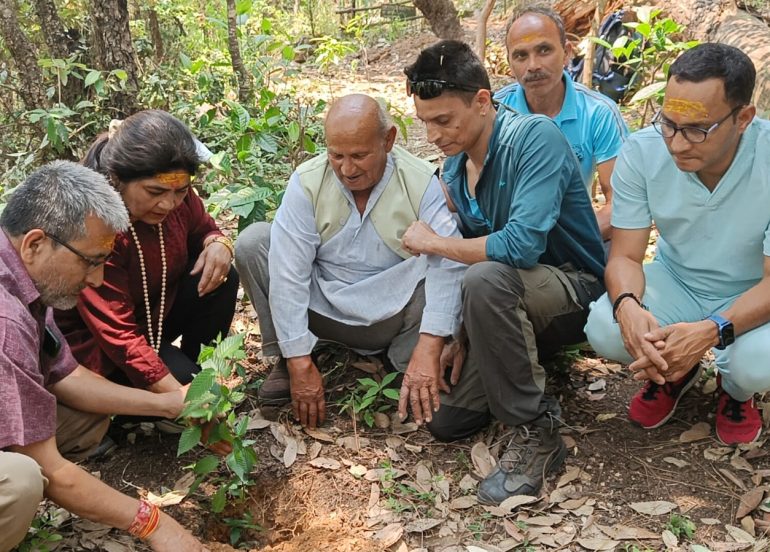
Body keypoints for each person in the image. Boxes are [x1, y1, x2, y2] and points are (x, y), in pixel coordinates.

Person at [399, 40, 606, 505]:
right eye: (425, 122)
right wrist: (461, 334)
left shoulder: (534, 137)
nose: (433, 135)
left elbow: (519, 245)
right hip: (512, 297)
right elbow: (478, 253)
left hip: (575, 289)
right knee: (446, 421)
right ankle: (521, 363)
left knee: (485, 279)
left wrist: (433, 241)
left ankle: (537, 429)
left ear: (481, 100)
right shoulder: (453, 170)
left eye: (443, 120)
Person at [0, 161, 205, 552]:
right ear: (35, 244)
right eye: (91, 261)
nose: (95, 279)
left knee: (81, 419)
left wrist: (170, 404)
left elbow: (67, 376)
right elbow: (53, 471)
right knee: (20, 478)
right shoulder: (5, 320)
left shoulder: (23, 279)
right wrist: (156, 525)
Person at [234, 94, 466, 429]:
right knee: (255, 242)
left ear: (388, 141)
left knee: (445, 259)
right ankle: (288, 356)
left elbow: (448, 264)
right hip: (322, 307)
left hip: (393, 314)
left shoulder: (419, 181)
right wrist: (299, 361)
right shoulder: (308, 180)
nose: (346, 169)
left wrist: (431, 345)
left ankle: (404, 361)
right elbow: (287, 272)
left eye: (359, 155)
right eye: (336, 155)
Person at [584, 43, 770, 446]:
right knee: (605, 325)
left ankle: (735, 389)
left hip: (754, 290)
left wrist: (711, 330)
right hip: (679, 279)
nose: (676, 143)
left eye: (696, 129)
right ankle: (673, 370)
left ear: (743, 118)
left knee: (757, 362)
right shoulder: (642, 151)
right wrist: (627, 305)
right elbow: (626, 255)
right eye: (667, 122)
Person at [55, 110, 239, 397]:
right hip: (102, 349)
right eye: (154, 192)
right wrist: (180, 399)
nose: (168, 204)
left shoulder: (177, 195)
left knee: (223, 276)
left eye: (180, 191)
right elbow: (119, 337)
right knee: (196, 395)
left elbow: (204, 229)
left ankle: (194, 370)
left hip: (152, 320)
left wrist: (218, 244)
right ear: (117, 179)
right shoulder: (94, 227)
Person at [495, 4, 629, 242]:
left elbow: (621, 202)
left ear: (567, 52)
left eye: (544, 50)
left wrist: (566, 241)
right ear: (509, 61)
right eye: (520, 55)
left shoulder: (598, 113)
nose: (533, 65)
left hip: (573, 237)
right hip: (507, 238)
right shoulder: (496, 112)